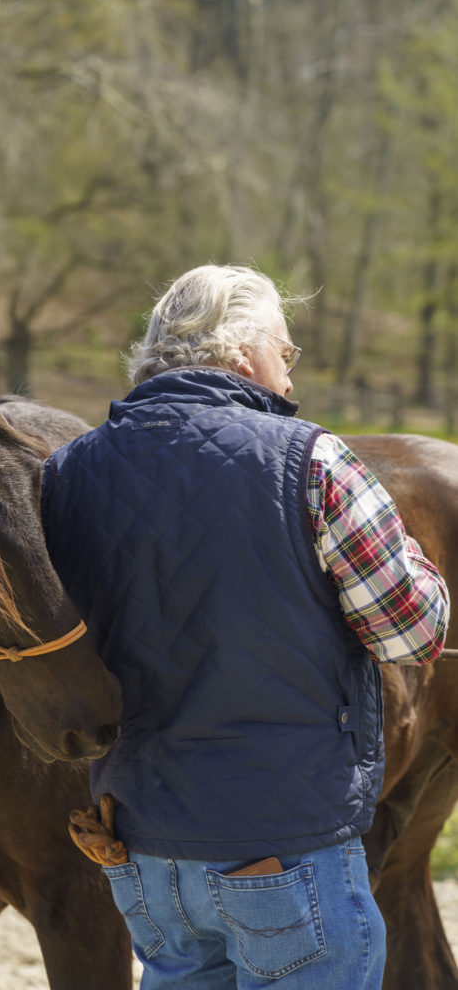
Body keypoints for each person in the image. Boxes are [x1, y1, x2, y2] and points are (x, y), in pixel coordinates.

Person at [41, 264, 449, 990]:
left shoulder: (67, 474)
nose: (289, 380)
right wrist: (410, 556)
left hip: (142, 851)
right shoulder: (312, 459)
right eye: (284, 354)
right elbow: (408, 631)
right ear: (240, 351)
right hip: (285, 844)